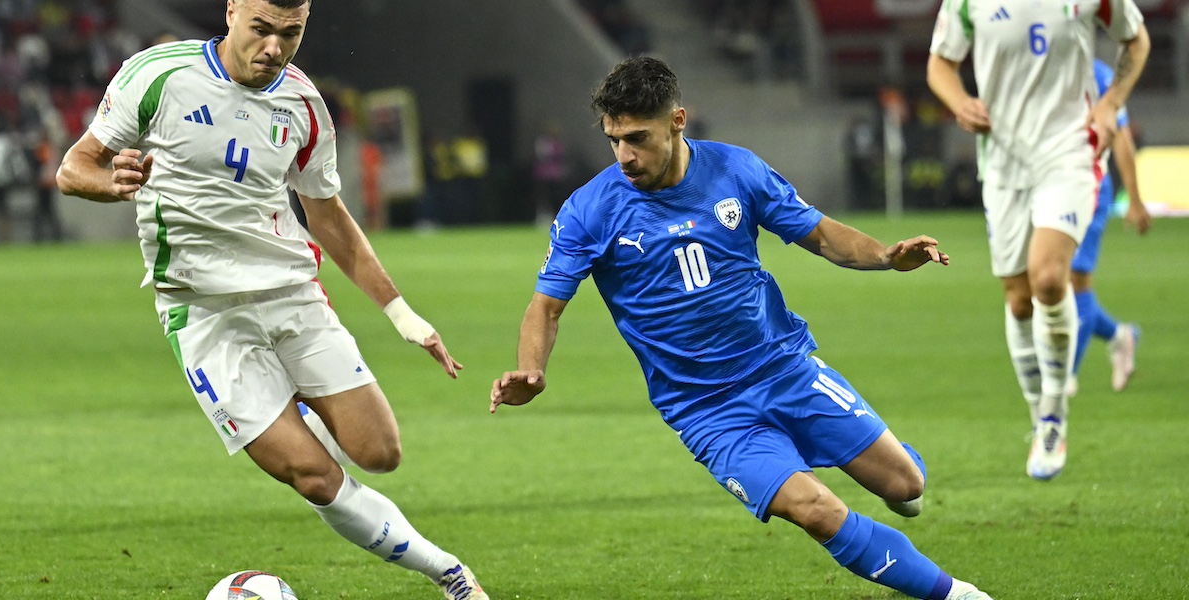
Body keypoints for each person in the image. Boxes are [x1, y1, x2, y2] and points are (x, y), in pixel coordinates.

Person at [491, 57, 992, 600]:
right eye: (614, 140)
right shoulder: (590, 210)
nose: (625, 156)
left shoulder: (737, 171)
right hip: (706, 409)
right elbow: (545, 308)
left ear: (678, 120)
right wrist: (531, 371)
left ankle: (897, 468)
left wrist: (887, 256)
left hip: (785, 368)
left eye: (638, 137)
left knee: (906, 484)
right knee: (817, 510)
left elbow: (822, 236)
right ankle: (958, 595)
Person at [54, 2, 489, 598]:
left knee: (380, 452)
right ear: (231, 10)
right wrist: (114, 183)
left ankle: (299, 406)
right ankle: (449, 573)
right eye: (261, 29)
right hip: (204, 313)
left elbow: (329, 216)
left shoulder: (305, 104)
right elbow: (73, 168)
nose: (275, 49)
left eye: (291, 33)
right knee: (314, 476)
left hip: (292, 295)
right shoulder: (156, 76)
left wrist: (402, 313)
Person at [926, 0, 1149, 481]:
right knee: (1019, 298)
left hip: (1070, 151)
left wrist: (1110, 104)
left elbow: (1136, 37)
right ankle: (1038, 412)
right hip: (1004, 159)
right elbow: (940, 62)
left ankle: (1053, 415)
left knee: (1050, 278)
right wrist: (959, 101)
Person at [1067, 58, 1150, 397]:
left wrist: (1135, 199)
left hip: (1089, 191)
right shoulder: (1037, 64)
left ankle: (1063, 379)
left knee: (1076, 282)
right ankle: (1120, 335)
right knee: (1048, 283)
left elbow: (1121, 139)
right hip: (1048, 193)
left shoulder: (1099, 76)